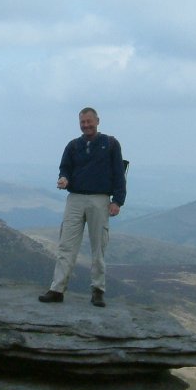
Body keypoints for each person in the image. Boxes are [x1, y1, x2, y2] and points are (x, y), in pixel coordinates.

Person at [38, 107, 126, 307]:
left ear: (97, 121)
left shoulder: (111, 144)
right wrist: (64, 179)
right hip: (75, 198)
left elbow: (119, 173)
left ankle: (98, 291)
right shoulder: (72, 146)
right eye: (83, 122)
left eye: (89, 121)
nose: (86, 125)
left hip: (100, 199)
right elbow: (65, 168)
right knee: (66, 245)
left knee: (98, 247)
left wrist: (117, 201)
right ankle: (57, 289)